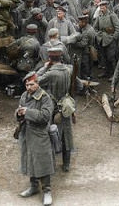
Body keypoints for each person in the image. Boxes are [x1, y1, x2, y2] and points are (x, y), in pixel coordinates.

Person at [16, 72, 55, 206]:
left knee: (42, 161)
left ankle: (47, 191)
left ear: (37, 84)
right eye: (27, 85)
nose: (28, 87)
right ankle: (33, 187)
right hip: (26, 132)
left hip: (39, 133)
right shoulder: (24, 96)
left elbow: (45, 116)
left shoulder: (45, 98)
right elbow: (19, 110)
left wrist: (27, 112)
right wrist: (19, 113)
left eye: (31, 84)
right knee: (29, 159)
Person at [36, 48, 74, 172]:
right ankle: (66, 164)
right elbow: (77, 85)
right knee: (66, 135)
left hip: (52, 107)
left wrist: (44, 67)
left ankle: (51, 164)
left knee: (51, 134)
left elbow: (35, 81)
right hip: (66, 106)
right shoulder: (69, 69)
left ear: (50, 59)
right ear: (61, 57)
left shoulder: (50, 73)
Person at [93, 1, 119, 79]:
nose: (101, 8)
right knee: (104, 57)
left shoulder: (112, 15)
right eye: (100, 7)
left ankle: (114, 74)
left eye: (103, 6)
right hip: (101, 40)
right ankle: (106, 72)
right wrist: (98, 35)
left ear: (107, 7)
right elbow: (95, 28)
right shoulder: (99, 16)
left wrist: (113, 37)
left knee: (111, 57)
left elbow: (118, 28)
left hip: (110, 40)